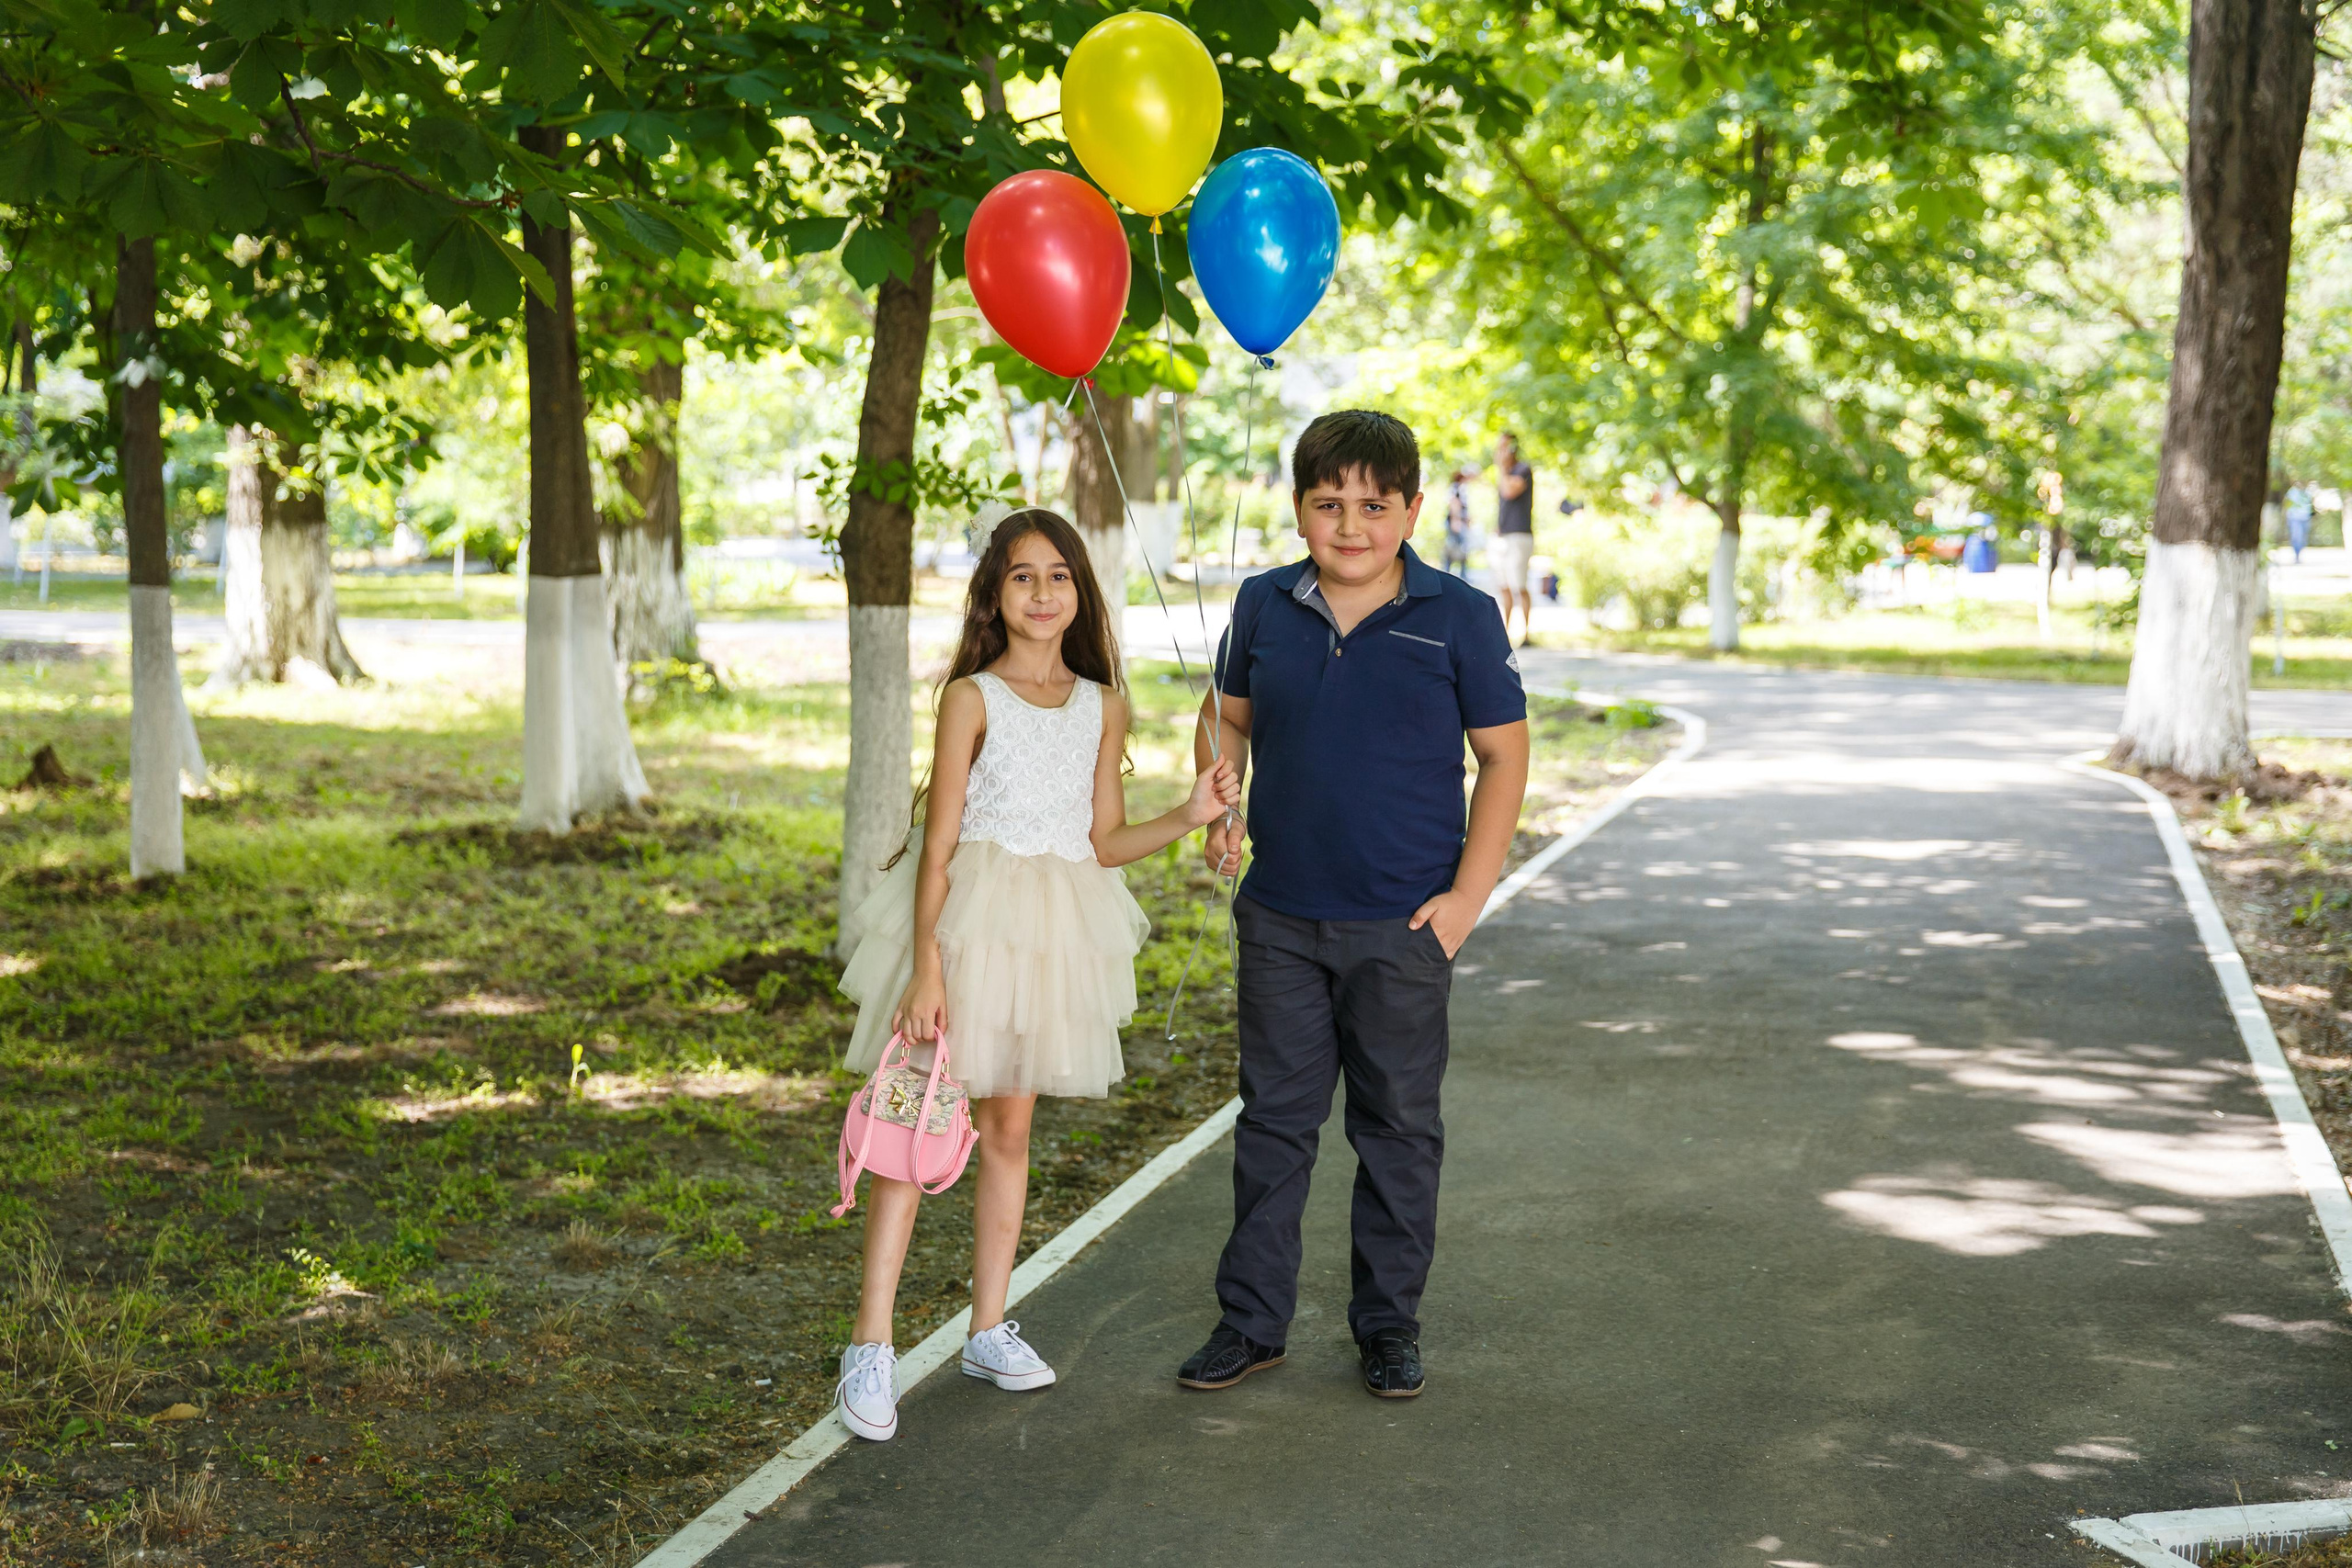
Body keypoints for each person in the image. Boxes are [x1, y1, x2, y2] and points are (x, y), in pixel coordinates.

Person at [831, 507, 1241, 1442]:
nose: (1043, 592)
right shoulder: (971, 697)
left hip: (1050, 935)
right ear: (994, 595)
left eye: (1058, 576)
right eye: (1022, 577)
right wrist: (926, 968)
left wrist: (1189, 812)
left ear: (1080, 593)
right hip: (965, 927)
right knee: (913, 1122)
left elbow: (1101, 842)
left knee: (1006, 1128)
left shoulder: (1104, 702)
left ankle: (986, 1326)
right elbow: (936, 849)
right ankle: (870, 1347)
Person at [1178, 411, 1531, 1401]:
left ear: (1411, 511)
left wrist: (1466, 899)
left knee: (1396, 1131)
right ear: (1298, 511)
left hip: (1404, 925)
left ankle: (1388, 1326)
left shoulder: (1458, 616)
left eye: (1374, 505)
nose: (1350, 525)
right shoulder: (1261, 605)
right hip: (1281, 915)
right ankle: (1251, 1324)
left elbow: (1503, 758)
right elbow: (1225, 714)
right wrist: (1220, 791)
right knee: (1273, 1128)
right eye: (1328, 504)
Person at [1491, 433, 1534, 646]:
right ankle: (1505, 633)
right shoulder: (1506, 473)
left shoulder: (1522, 470)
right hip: (1504, 536)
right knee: (1504, 586)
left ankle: (1526, 634)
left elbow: (1509, 492)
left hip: (1519, 536)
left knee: (1520, 586)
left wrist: (1500, 468)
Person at [1442, 468, 1473, 576]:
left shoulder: (1460, 488)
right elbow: (1454, 504)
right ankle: (1448, 572)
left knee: (1460, 548)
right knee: (1454, 548)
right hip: (1455, 522)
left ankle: (1461, 574)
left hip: (1459, 522)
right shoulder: (1456, 488)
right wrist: (1456, 520)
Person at [2287, 484, 2313, 563]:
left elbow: (2310, 504)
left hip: (2305, 518)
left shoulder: (2309, 491)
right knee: (2296, 537)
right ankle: (2296, 555)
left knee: (2303, 538)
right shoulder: (2292, 492)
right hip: (2295, 518)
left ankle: (2299, 555)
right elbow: (2287, 504)